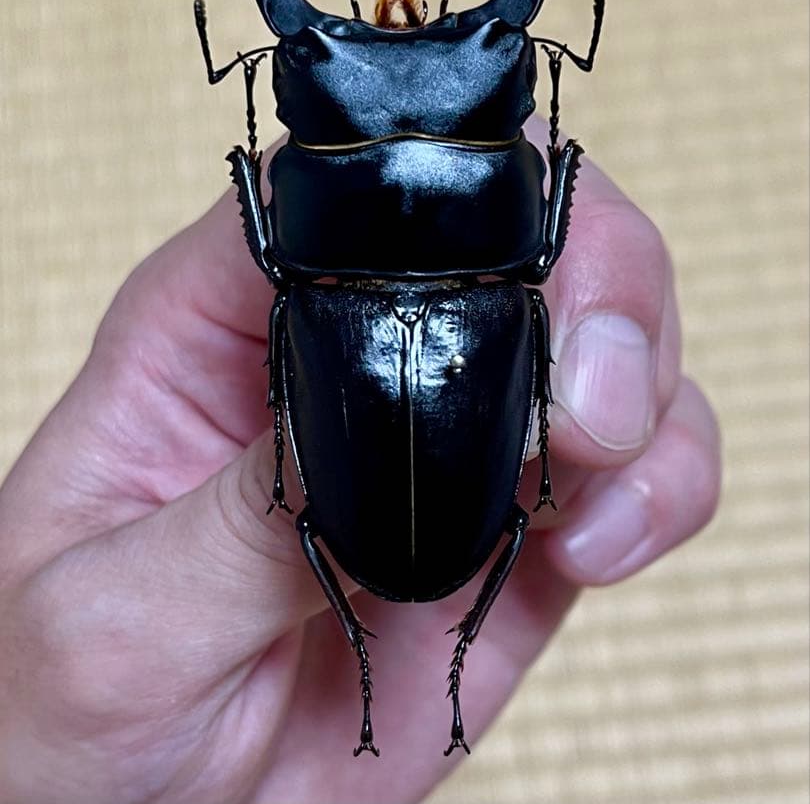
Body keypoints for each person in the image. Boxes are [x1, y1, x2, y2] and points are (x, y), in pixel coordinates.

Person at [0, 119, 720, 804]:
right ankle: (438, 655)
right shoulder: (496, 298)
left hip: (384, 495)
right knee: (521, 485)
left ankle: (413, 656)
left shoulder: (305, 299)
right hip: (436, 492)